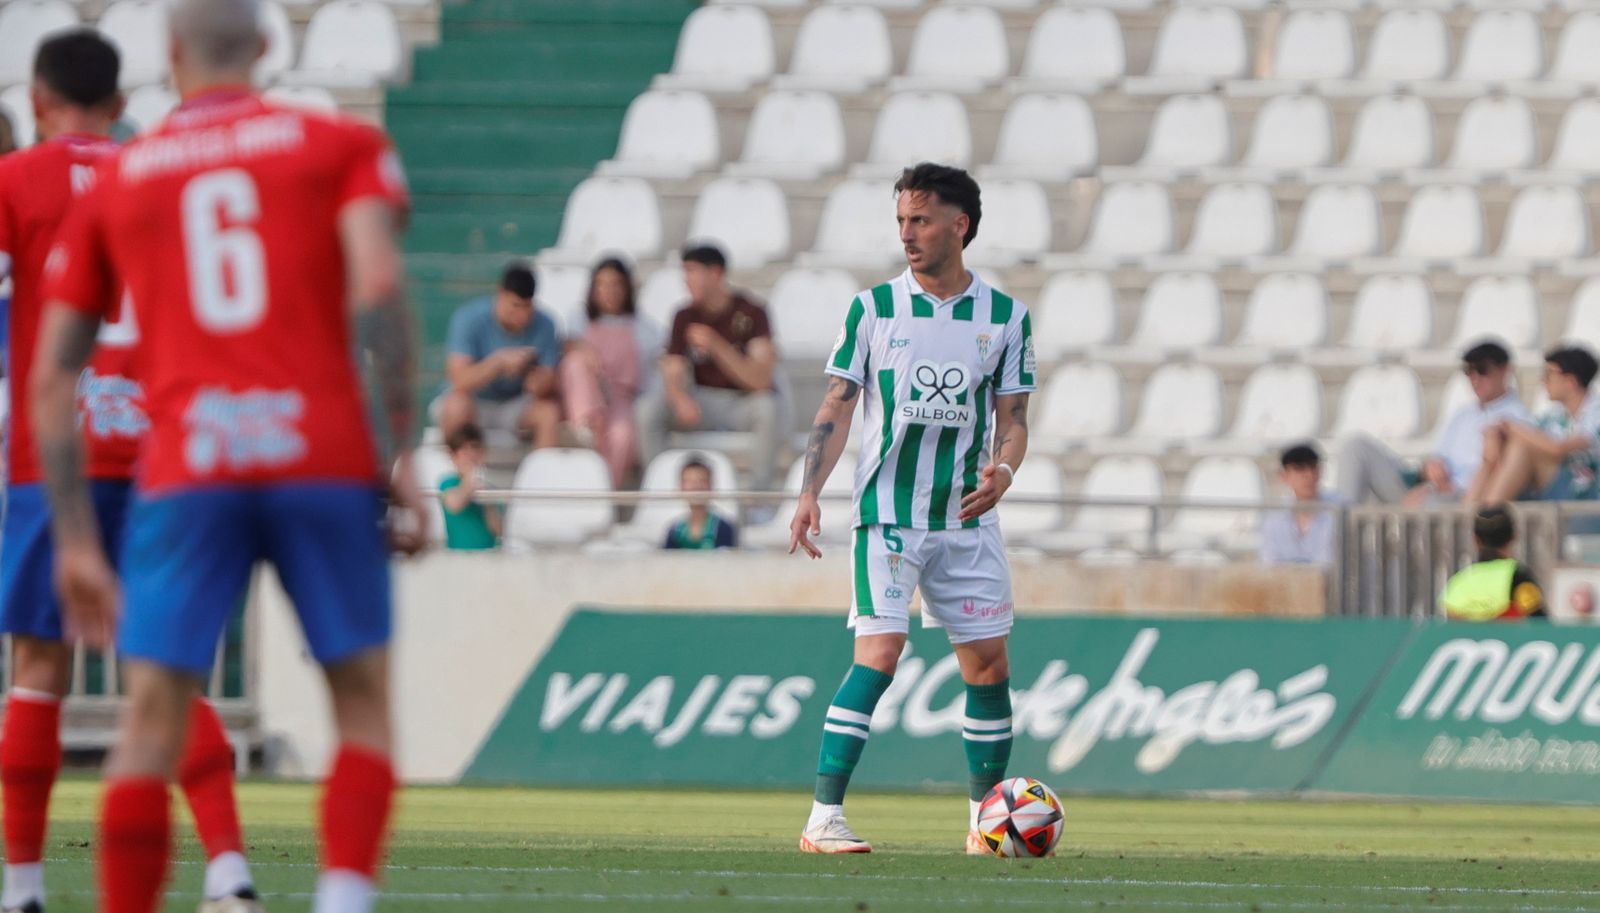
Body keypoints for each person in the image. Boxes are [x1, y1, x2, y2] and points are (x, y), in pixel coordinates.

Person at [32, 1, 427, 911]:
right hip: (318, 451)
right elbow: (378, 285)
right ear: (266, 47)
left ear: (169, 57)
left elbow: (55, 377)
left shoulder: (124, 178)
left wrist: (77, 539)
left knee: (149, 715)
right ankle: (341, 899)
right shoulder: (337, 146)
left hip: (187, 463)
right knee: (359, 699)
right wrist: (397, 453)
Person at [0, 30, 261, 913]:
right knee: (166, 661)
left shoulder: (16, 180)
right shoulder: (164, 170)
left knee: (38, 664)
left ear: (38, 99)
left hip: (56, 454)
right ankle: (229, 872)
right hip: (161, 447)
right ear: (120, 103)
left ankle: (22, 889)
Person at [788, 163, 1034, 855]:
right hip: (888, 519)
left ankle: (984, 824)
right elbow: (836, 406)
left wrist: (1005, 468)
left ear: (960, 224)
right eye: (901, 221)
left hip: (966, 520)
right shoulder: (873, 310)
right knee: (881, 650)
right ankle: (823, 818)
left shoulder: (1006, 317)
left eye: (920, 220)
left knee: (988, 666)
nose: (907, 235)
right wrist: (809, 491)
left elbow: (1013, 418)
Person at [636, 244, 781, 495]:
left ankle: (760, 495)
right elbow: (672, 368)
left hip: (740, 402)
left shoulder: (752, 312)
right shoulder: (684, 315)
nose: (686, 281)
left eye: (692, 271)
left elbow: (760, 381)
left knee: (768, 408)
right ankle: (657, 490)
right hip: (700, 400)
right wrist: (679, 398)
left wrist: (717, 345)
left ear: (715, 274)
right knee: (646, 411)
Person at [1338, 342, 1532, 506]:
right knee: (1356, 448)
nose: (1475, 378)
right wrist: (1430, 469)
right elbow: (1437, 457)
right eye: (1469, 371)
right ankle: (1337, 533)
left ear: (1505, 369)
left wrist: (1444, 487)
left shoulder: (1518, 419)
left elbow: (1502, 473)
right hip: (1430, 488)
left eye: (1482, 370)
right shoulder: (1462, 414)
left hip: (1463, 497)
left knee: (1431, 504)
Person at [436, 262, 563, 449]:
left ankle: (541, 475)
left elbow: (547, 382)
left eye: (526, 307)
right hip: (476, 402)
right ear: (500, 294)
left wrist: (533, 376)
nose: (521, 315)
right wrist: (498, 363)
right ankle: (457, 475)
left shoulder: (545, 324)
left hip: (516, 404)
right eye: (515, 306)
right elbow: (459, 380)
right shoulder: (469, 318)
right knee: (455, 406)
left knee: (549, 413)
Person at [559, 257, 661, 487]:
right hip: (586, 397)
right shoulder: (578, 319)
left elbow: (650, 375)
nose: (609, 292)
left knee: (623, 436)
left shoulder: (644, 327)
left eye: (616, 285)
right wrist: (582, 349)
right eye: (602, 285)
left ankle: (604, 491)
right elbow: (566, 349)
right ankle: (586, 425)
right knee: (574, 363)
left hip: (621, 399)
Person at [1467, 346, 1600, 505]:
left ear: (1570, 381)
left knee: (1522, 446)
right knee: (1501, 446)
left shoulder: (1595, 412)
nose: (1542, 381)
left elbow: (1558, 449)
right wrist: (1497, 435)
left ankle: (1486, 521)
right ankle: (1473, 517)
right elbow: (1533, 436)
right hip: (1560, 492)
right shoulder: (1556, 415)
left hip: (1587, 496)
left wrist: (1513, 428)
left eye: (1549, 374)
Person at [1440, 505, 1546, 621]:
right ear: (1514, 537)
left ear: (1475, 539)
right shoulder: (1519, 578)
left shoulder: (1458, 581)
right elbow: (1539, 624)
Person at [1258, 443, 1338, 568]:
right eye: (1299, 468)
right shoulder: (1274, 519)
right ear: (1284, 476)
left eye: (1313, 467)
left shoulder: (1338, 509)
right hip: (1289, 585)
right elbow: (1270, 563)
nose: (1308, 475)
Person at [440, 424, 500, 550]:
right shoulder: (448, 483)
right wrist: (469, 483)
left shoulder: (491, 488)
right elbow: (453, 505)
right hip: (458, 556)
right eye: (464, 452)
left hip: (488, 556)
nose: (471, 457)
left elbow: (498, 529)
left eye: (475, 450)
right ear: (452, 456)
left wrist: (487, 502)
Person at [662, 456, 737, 550]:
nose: (696, 487)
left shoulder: (723, 528)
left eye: (702, 481)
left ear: (711, 486)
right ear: (681, 487)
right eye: (689, 481)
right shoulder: (675, 530)